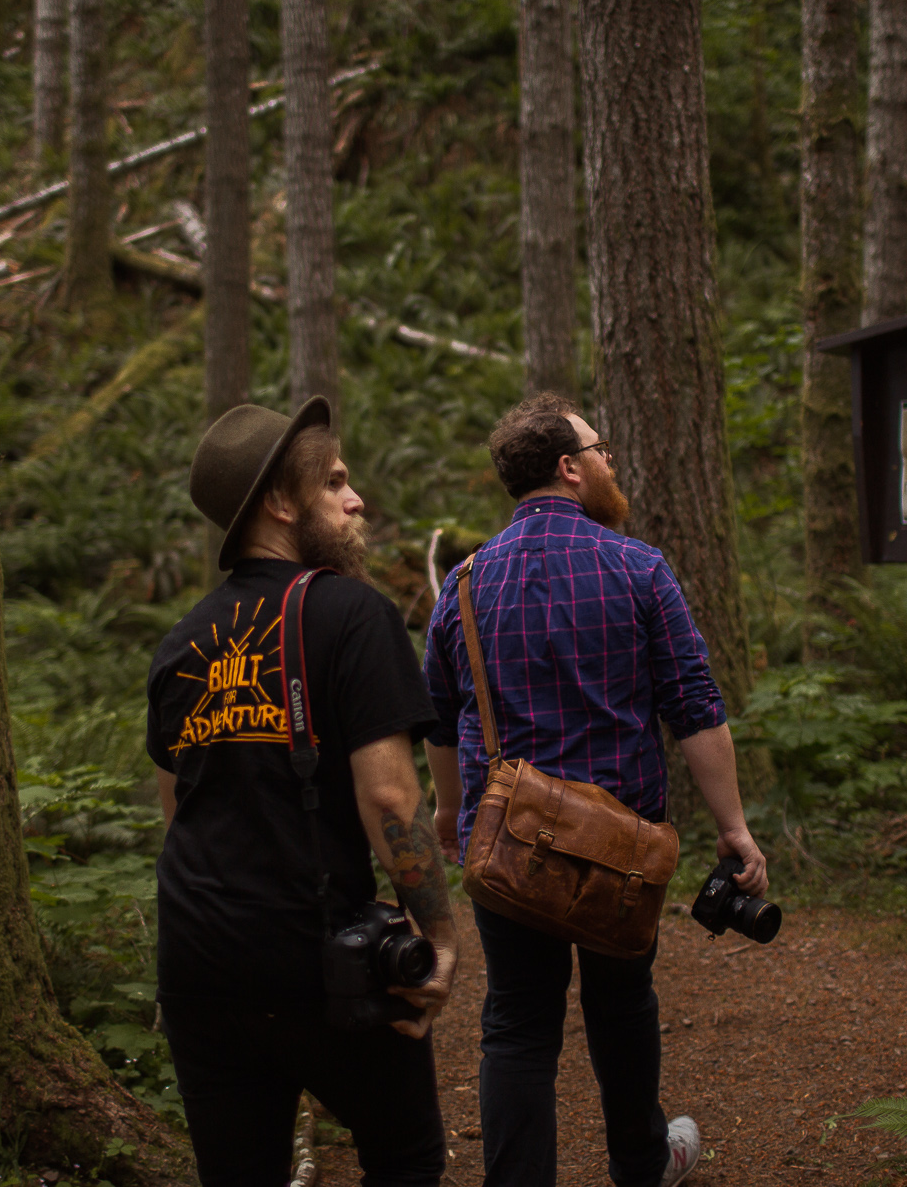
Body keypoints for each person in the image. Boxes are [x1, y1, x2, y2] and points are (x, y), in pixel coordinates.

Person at [423, 393, 769, 1187]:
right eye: (601, 448)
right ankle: (642, 1166)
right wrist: (735, 828)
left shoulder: (465, 583)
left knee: (516, 1022)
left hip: (508, 843)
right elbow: (694, 706)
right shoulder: (639, 566)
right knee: (622, 1001)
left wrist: (449, 811)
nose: (611, 460)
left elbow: (438, 718)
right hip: (624, 847)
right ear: (568, 468)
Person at [148, 397, 458, 1187]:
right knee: (407, 1155)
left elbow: (174, 809)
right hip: (315, 958)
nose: (356, 500)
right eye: (335, 482)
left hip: (198, 963)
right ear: (281, 505)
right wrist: (439, 935)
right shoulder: (353, 614)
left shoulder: (180, 642)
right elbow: (390, 799)